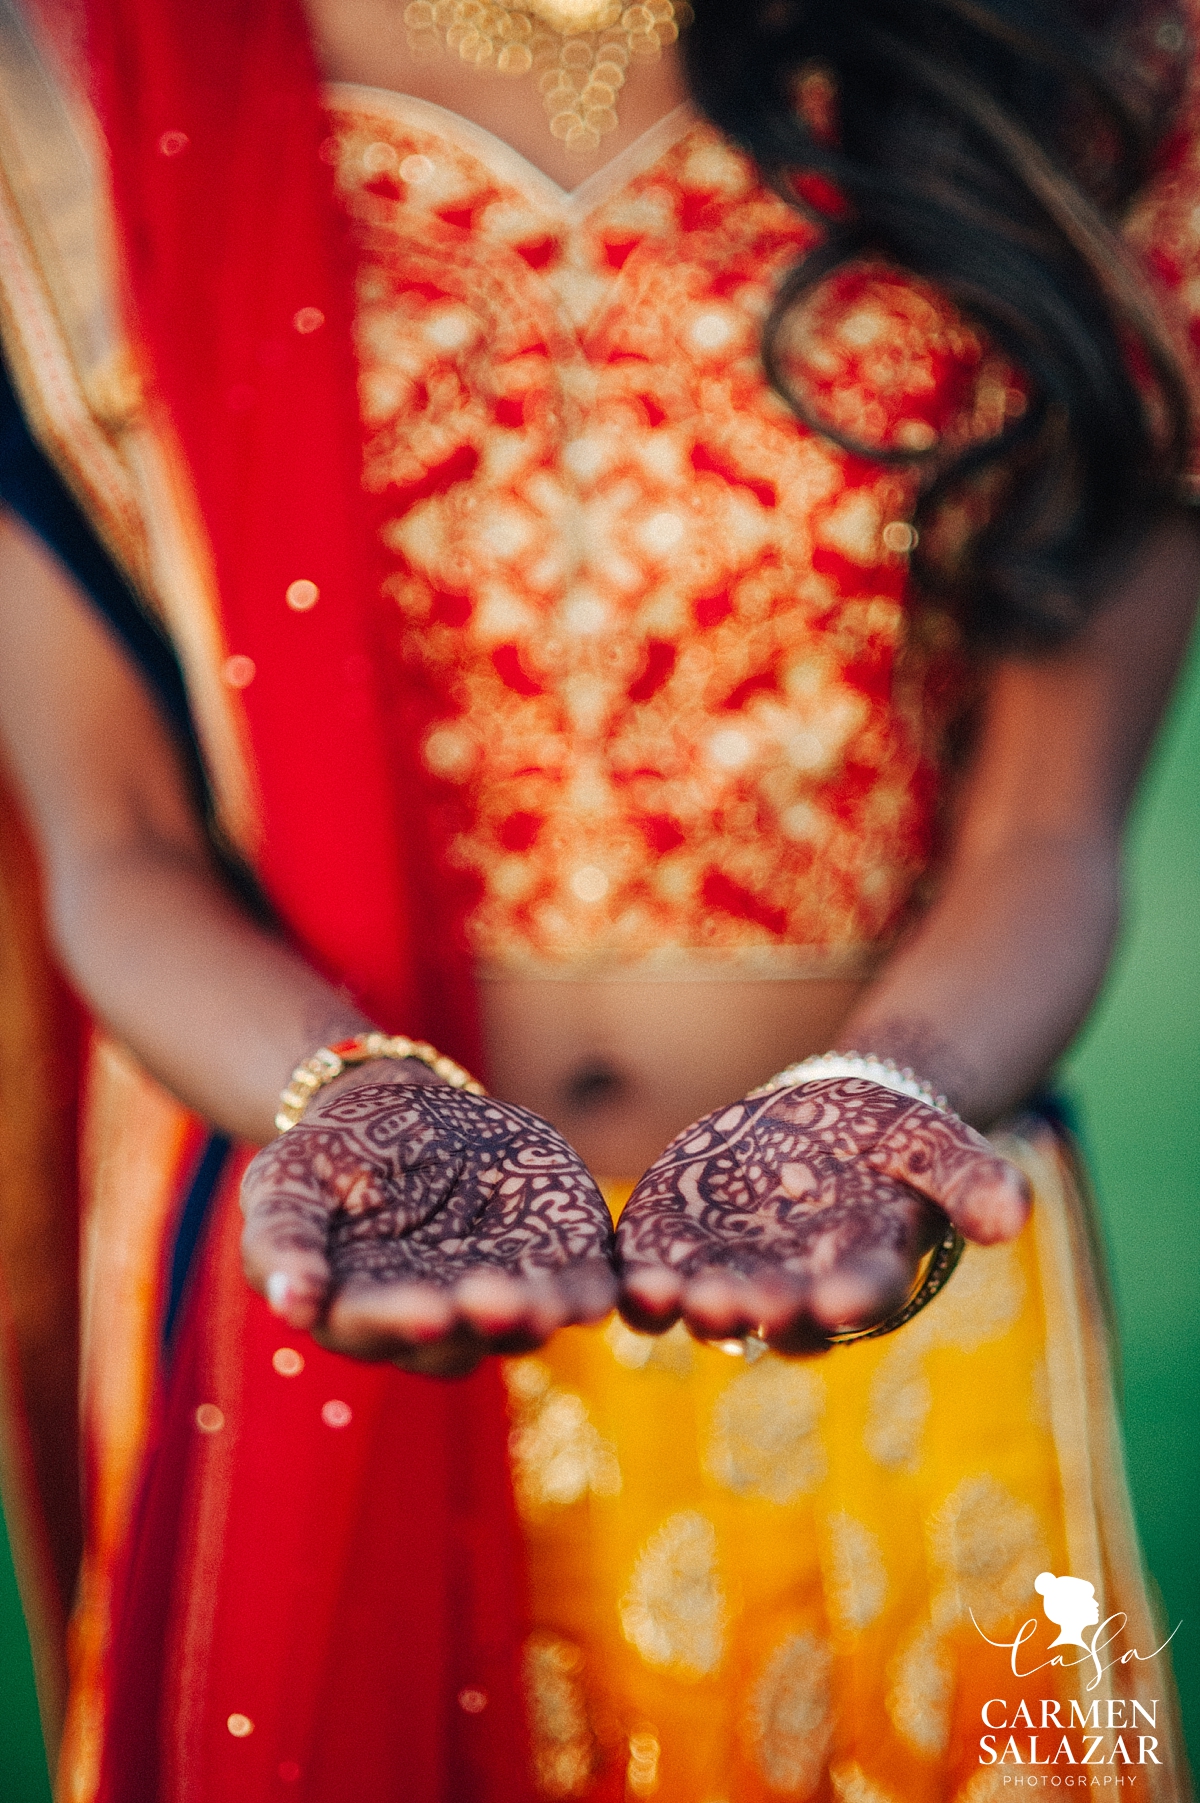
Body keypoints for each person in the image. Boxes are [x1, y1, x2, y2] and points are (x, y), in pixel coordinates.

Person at [0, 0, 1195, 1797]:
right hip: (349, 1294)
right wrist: (351, 1102)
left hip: (901, 1297)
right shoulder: (78, 107)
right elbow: (115, 841)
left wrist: (886, 1103)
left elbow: (1049, 835)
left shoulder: (1080, 75)